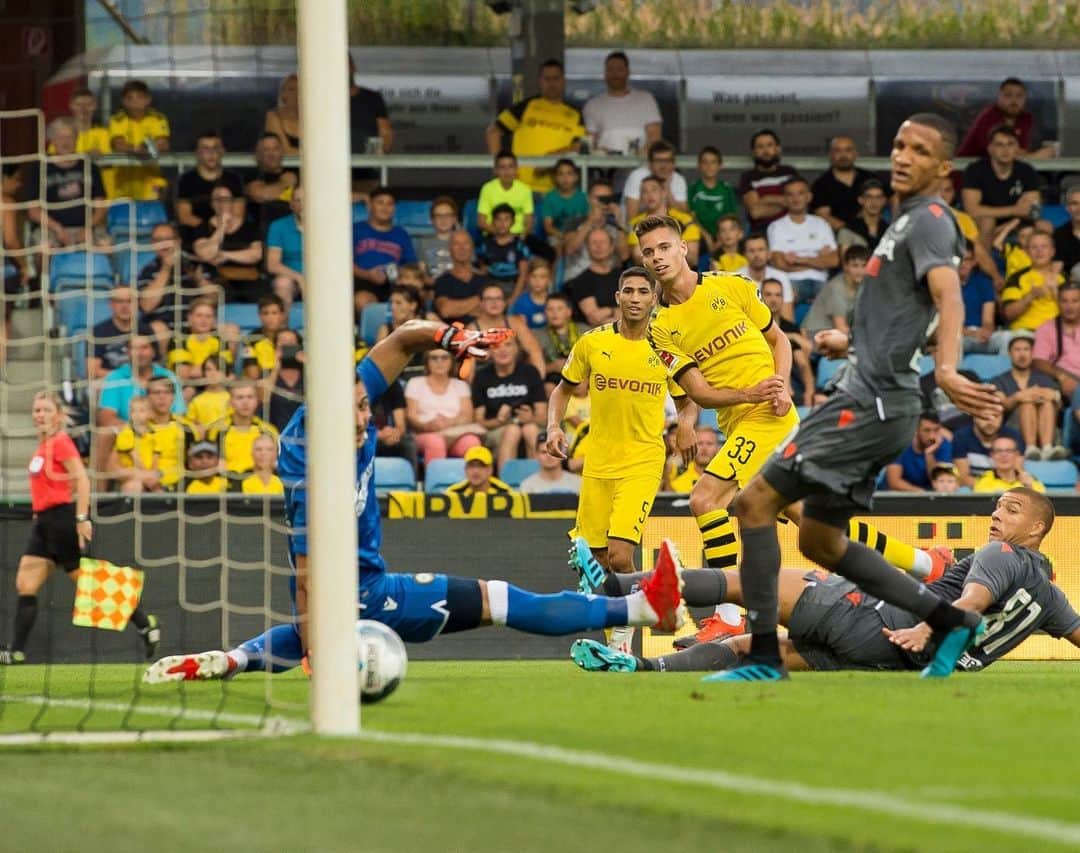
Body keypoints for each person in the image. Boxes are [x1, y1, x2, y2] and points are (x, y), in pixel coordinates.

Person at [143, 319, 685, 683]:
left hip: (370, 586)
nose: (363, 417)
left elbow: (403, 339)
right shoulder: (309, 469)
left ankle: (229, 659)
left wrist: (452, 336)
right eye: (354, 410)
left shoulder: (341, 408)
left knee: (497, 600)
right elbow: (307, 578)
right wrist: (315, 654)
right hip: (363, 599)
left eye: (364, 405)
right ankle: (641, 608)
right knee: (500, 600)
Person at [715, 113, 1004, 683]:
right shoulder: (905, 222)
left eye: (919, 150)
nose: (902, 156)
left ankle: (765, 658)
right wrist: (851, 341)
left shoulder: (931, 221)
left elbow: (949, 299)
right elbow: (912, 310)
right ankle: (950, 620)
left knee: (751, 505)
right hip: (878, 402)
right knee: (821, 542)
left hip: (866, 405)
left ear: (943, 168)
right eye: (898, 145)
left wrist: (946, 369)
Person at [572, 489, 1080, 676]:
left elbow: (969, 602)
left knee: (751, 581)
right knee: (758, 647)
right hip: (887, 660)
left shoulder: (1002, 554)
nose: (996, 515)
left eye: (1011, 510)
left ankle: (615, 588)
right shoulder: (1050, 597)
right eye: (996, 506)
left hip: (884, 622)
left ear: (1036, 529)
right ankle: (639, 665)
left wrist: (929, 629)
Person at [638, 213, 798, 575]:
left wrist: (781, 384)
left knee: (704, 498)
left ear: (683, 248)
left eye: (664, 247)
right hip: (736, 422)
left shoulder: (731, 285)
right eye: (648, 252)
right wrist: (689, 418)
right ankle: (923, 562)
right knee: (814, 526)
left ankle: (728, 607)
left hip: (769, 416)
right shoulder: (658, 328)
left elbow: (779, 340)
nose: (657, 257)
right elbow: (700, 393)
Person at [546, 267, 695, 577]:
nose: (635, 298)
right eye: (628, 291)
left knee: (620, 554)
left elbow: (687, 401)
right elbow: (562, 391)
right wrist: (553, 426)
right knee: (596, 561)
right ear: (618, 297)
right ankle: (623, 618)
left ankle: (649, 606)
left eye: (643, 292)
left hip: (643, 461)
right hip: (598, 461)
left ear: (655, 299)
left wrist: (686, 425)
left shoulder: (667, 348)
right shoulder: (592, 343)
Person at [0, 392, 160, 666]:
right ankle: (15, 651)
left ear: (59, 415)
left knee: (88, 581)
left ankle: (145, 623)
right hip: (43, 524)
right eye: (36, 410)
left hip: (61, 519)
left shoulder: (61, 443)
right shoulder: (43, 447)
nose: (39, 414)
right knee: (25, 584)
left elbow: (83, 480)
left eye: (45, 409)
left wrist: (81, 518)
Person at [485, 59, 584, 193]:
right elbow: (493, 132)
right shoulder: (526, 106)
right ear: (539, 81)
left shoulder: (575, 114)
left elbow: (579, 147)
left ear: (563, 81)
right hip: (519, 188)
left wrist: (549, 160)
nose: (551, 83)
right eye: (546, 79)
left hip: (557, 192)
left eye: (556, 78)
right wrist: (501, 169)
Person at [23, 117, 108, 248]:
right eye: (60, 137)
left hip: (87, 227)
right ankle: (44, 269)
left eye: (70, 137)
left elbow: (101, 207)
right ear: (52, 140)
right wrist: (58, 229)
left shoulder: (90, 167)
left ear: (76, 139)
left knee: (105, 244)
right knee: (45, 247)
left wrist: (87, 228)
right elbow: (33, 211)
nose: (65, 142)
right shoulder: (38, 168)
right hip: (50, 228)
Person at [472, 336, 547, 471]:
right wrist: (500, 421)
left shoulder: (530, 372)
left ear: (517, 349)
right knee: (512, 431)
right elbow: (479, 421)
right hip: (496, 429)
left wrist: (531, 418)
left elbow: (543, 417)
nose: (503, 350)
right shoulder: (481, 376)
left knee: (530, 429)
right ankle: (506, 486)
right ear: (489, 351)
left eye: (508, 345)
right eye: (496, 346)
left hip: (530, 426)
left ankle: (538, 485)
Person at [960, 125, 1041, 248]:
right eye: (999, 145)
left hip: (1015, 223)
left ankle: (1036, 267)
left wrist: (1009, 224)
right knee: (988, 222)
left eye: (1010, 144)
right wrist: (1014, 210)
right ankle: (985, 266)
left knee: (1045, 226)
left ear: (1017, 148)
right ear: (990, 149)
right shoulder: (975, 170)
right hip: (981, 223)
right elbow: (972, 211)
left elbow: (1034, 211)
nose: (1005, 150)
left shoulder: (1026, 170)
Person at [990, 331, 1066, 460]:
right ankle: (1030, 449)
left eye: (1026, 349)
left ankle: (1047, 448)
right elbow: (1001, 406)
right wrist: (1019, 397)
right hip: (1013, 431)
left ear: (1032, 354)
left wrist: (1054, 395)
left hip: (1046, 429)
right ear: (1009, 353)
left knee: (1047, 402)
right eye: (1017, 350)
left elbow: (1059, 407)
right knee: (1026, 403)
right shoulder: (999, 380)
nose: (1022, 354)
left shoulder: (1044, 378)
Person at [766, 176, 839, 306]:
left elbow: (833, 261)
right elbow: (780, 263)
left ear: (809, 197)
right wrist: (818, 260)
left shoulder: (821, 224)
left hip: (821, 282)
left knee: (836, 301)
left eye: (800, 193)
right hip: (791, 282)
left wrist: (799, 260)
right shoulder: (776, 226)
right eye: (790, 194)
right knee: (780, 298)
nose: (795, 198)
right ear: (784, 199)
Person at [405, 348, 483, 463]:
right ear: (427, 362)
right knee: (435, 443)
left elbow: (468, 416)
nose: (439, 362)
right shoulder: (415, 383)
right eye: (434, 358)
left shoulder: (460, 385)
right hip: (426, 434)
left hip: (454, 433)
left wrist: (450, 422)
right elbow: (411, 415)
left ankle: (470, 480)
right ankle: (436, 480)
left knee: (472, 442)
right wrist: (427, 425)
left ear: (451, 361)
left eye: (444, 357)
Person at [137, 222, 215, 332]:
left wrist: (199, 279)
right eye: (158, 240)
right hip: (164, 328)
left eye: (168, 239)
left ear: (178, 241)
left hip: (195, 328)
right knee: (158, 329)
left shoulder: (194, 263)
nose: (164, 243)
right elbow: (146, 306)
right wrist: (166, 268)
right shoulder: (147, 271)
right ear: (152, 244)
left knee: (230, 330)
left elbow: (215, 299)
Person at [192, 182, 264, 303]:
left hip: (247, 278)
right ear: (212, 203)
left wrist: (225, 255)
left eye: (226, 199)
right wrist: (222, 227)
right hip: (216, 279)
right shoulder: (202, 228)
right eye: (218, 200)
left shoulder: (249, 227)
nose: (222, 203)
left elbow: (257, 254)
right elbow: (207, 254)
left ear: (232, 202)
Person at [583, 51, 662, 156]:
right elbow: (590, 142)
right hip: (606, 167)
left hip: (642, 164)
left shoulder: (646, 99)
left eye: (619, 69)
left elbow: (655, 137)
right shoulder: (592, 105)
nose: (615, 74)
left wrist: (641, 156)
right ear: (605, 73)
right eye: (610, 70)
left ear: (628, 72)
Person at [176, 131, 245, 249]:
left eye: (215, 148)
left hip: (229, 234)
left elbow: (238, 214)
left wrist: (222, 228)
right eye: (205, 149)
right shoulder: (186, 180)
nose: (211, 153)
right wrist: (210, 228)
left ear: (223, 151)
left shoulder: (234, 179)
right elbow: (184, 216)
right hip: (196, 237)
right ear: (197, 153)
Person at [352, 187, 417, 309]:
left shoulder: (401, 233)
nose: (385, 208)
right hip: (362, 281)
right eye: (380, 202)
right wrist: (367, 275)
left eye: (389, 204)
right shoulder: (356, 229)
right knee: (363, 301)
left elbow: (410, 265)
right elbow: (343, 263)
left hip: (394, 284)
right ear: (370, 205)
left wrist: (397, 274)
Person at [958, 78, 1056, 159]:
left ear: (1025, 99)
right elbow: (999, 153)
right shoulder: (989, 116)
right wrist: (1034, 157)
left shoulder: (1026, 118)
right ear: (999, 97)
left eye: (1019, 96)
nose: (1014, 100)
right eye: (1008, 95)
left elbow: (1020, 150)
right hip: (971, 171)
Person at [108, 79, 170, 201]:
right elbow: (118, 144)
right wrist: (137, 149)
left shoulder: (157, 118)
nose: (135, 102)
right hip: (123, 182)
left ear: (148, 99)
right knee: (124, 218)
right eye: (130, 98)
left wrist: (148, 149)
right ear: (124, 102)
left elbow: (163, 144)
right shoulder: (117, 119)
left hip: (151, 180)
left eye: (140, 97)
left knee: (154, 217)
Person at [760, 278, 816, 408]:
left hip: (790, 384)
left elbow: (803, 361)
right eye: (768, 294)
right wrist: (792, 337)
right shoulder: (752, 327)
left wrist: (809, 392)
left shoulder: (790, 327)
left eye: (778, 295)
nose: (773, 299)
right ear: (760, 298)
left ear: (783, 299)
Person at [560, 179, 629, 283]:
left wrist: (619, 222)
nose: (603, 203)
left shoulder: (617, 226)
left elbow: (624, 256)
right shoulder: (574, 222)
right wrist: (590, 222)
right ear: (588, 199)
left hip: (609, 280)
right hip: (578, 277)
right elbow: (570, 250)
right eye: (599, 199)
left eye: (607, 198)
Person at [466, 283, 545, 374]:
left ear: (504, 303)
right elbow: (467, 364)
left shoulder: (515, 323)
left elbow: (535, 352)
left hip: (516, 378)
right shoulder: (472, 329)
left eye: (498, 298)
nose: (494, 303)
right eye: (489, 299)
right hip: (484, 380)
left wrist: (538, 382)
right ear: (481, 304)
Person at [87, 284, 159, 382]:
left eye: (129, 301)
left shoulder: (146, 330)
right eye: (119, 301)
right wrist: (126, 379)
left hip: (142, 381)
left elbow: (155, 365)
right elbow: (93, 371)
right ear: (111, 304)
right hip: (109, 382)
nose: (125, 306)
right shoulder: (97, 332)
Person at [207, 381, 278, 479]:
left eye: (250, 397)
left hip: (259, 486)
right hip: (229, 487)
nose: (245, 402)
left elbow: (276, 464)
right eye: (240, 397)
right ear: (231, 402)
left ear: (256, 400)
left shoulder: (268, 431)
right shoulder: (217, 431)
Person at [810, 136, 881, 232]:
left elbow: (893, 197)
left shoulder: (870, 178)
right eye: (838, 151)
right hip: (840, 237)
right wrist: (853, 232)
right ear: (831, 155)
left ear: (856, 154)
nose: (843, 155)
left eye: (848, 150)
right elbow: (823, 217)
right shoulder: (821, 184)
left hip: (875, 232)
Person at [1033, 281, 1080, 426]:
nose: (1069, 306)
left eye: (1075, 301)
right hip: (1065, 379)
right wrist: (1061, 377)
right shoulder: (1047, 328)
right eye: (1064, 301)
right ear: (1058, 303)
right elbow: (1038, 361)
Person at [628, 175, 701, 268]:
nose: (649, 195)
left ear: (664, 192)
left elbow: (692, 259)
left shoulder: (685, 220)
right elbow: (638, 257)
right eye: (644, 192)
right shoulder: (635, 223)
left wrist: (654, 254)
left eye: (654, 190)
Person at [801, 245, 868, 340]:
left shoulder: (863, 286)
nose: (860, 271)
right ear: (845, 266)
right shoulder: (836, 288)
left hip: (835, 334)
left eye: (864, 266)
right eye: (855, 266)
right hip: (816, 335)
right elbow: (841, 329)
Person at [738, 129, 799, 231]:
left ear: (778, 149)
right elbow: (756, 212)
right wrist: (785, 202)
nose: (766, 151)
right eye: (760, 147)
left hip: (792, 228)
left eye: (769, 145)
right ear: (754, 152)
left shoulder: (790, 173)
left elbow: (800, 204)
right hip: (762, 233)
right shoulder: (748, 177)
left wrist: (765, 199)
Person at [348, 54, 392, 195]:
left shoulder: (372, 98)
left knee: (368, 209)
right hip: (331, 172)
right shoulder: (324, 98)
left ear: (353, 67)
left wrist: (381, 149)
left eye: (345, 65)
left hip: (366, 174)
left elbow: (386, 133)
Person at [951, 408, 1024, 487]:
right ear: (974, 417)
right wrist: (988, 489)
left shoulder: (1013, 436)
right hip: (977, 491)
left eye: (996, 416)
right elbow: (964, 477)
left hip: (1006, 488)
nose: (990, 422)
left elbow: (1017, 473)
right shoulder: (961, 437)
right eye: (985, 417)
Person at [563, 228, 621, 326]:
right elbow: (594, 318)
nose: (599, 246)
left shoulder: (623, 277)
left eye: (602, 242)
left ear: (611, 247)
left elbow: (638, 311)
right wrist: (621, 314)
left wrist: (608, 311)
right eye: (594, 242)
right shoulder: (581, 281)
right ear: (587, 248)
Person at [884, 410, 954, 492]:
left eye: (936, 430)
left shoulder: (943, 445)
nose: (932, 436)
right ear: (915, 430)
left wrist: (929, 454)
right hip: (899, 496)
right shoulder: (900, 444)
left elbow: (939, 483)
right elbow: (894, 482)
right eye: (926, 430)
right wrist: (921, 494)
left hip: (930, 497)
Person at [688, 147, 739, 255]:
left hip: (723, 237)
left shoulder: (726, 189)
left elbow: (732, 217)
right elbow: (690, 216)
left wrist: (721, 239)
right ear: (699, 165)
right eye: (705, 162)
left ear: (720, 165)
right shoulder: (693, 188)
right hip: (699, 236)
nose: (709, 166)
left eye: (713, 162)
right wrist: (706, 236)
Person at [244, 132, 297, 233]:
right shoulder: (252, 176)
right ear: (258, 154)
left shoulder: (295, 173)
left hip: (294, 231)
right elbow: (261, 194)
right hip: (264, 233)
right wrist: (285, 184)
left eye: (275, 149)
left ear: (282, 151)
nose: (271, 154)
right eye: (266, 150)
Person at [623, 140, 688, 221]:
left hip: (667, 227)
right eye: (659, 161)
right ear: (650, 164)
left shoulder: (679, 180)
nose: (663, 166)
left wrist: (667, 188)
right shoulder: (637, 176)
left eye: (667, 161)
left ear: (673, 164)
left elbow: (684, 217)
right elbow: (631, 218)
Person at [735, 232, 794, 321]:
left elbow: (787, 319)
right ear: (745, 254)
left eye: (761, 250)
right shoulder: (736, 279)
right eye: (751, 251)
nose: (757, 255)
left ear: (768, 253)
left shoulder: (782, 277)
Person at [433, 231, 488, 325]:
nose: (461, 248)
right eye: (456, 244)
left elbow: (490, 311)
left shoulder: (486, 280)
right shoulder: (442, 281)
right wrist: (481, 299)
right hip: (454, 336)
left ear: (472, 248)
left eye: (465, 243)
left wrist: (457, 309)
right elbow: (446, 311)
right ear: (450, 250)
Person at [107, 395, 160, 494]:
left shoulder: (154, 433)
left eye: (141, 411)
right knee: (135, 484)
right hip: (131, 471)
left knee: (158, 485)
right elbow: (135, 459)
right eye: (133, 411)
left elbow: (156, 458)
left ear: (149, 413)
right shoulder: (126, 432)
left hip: (147, 472)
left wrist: (152, 474)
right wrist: (147, 476)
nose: (136, 414)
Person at [476, 204, 530, 300]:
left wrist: (513, 299)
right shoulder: (486, 243)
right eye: (499, 219)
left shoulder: (519, 245)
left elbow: (523, 275)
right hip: (492, 286)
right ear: (493, 222)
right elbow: (483, 271)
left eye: (506, 219)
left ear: (513, 222)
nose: (502, 223)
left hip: (512, 286)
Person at [265, 185, 305, 311]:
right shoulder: (279, 226)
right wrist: (299, 278)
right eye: (298, 200)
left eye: (307, 199)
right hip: (291, 276)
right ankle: (282, 328)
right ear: (291, 204)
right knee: (282, 284)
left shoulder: (328, 224)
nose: (303, 204)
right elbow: (272, 265)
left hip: (321, 276)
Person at [477, 151, 535, 236]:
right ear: (495, 170)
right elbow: (481, 222)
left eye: (510, 167)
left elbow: (529, 221)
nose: (507, 171)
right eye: (502, 167)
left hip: (518, 237)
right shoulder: (487, 189)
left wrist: (521, 235)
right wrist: (502, 235)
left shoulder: (525, 190)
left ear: (516, 169)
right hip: (493, 236)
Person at [538, 293, 584, 390]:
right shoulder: (536, 336)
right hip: (553, 379)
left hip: (582, 376)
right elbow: (532, 369)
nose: (554, 313)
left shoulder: (585, 331)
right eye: (550, 309)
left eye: (559, 309)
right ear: (544, 313)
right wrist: (552, 367)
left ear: (569, 312)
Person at [540, 159, 588, 251]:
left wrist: (575, 236)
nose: (565, 178)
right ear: (555, 178)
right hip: (557, 236)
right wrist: (563, 236)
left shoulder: (583, 198)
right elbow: (548, 227)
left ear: (576, 177)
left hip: (579, 235)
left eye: (569, 174)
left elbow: (588, 222)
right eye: (560, 174)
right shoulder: (550, 198)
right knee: (558, 248)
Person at [265, 328, 306, 433]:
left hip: (303, 435)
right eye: (282, 341)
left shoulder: (307, 374)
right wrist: (276, 366)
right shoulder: (268, 374)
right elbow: (264, 400)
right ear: (275, 346)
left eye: (291, 342)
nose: (287, 345)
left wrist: (308, 365)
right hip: (275, 435)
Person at [973, 435, 1046, 493]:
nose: (1004, 455)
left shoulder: (1029, 479)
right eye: (998, 451)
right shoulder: (985, 478)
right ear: (992, 456)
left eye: (1008, 451)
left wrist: (1029, 488)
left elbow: (1042, 506)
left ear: (1017, 455)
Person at [836, 178, 887, 254]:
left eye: (878, 197)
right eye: (869, 197)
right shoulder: (849, 230)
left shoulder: (889, 230)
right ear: (860, 200)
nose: (874, 202)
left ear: (884, 200)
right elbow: (846, 264)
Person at [663, 425, 719, 494]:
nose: (704, 448)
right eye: (700, 443)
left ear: (718, 449)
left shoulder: (728, 476)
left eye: (709, 444)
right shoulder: (677, 472)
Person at [416, 196, 459, 283]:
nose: (443, 219)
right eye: (438, 216)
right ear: (432, 220)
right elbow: (422, 271)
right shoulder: (423, 243)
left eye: (447, 215)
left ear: (454, 219)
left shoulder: (463, 241)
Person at [186, 355, 231, 436]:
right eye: (208, 369)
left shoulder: (233, 400)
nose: (213, 374)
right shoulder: (196, 401)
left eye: (218, 369)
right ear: (203, 373)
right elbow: (190, 424)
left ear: (226, 374)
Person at [446, 445, 513, 496]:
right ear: (465, 469)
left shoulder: (504, 492)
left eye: (481, 466)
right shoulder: (454, 493)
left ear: (490, 470)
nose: (476, 471)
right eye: (471, 466)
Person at [510, 257, 555, 332]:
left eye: (542, 277)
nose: (537, 281)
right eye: (534, 276)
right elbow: (522, 331)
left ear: (549, 279)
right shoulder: (521, 303)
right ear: (528, 278)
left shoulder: (556, 300)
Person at [264, 73, 301, 156]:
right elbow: (283, 150)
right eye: (283, 89)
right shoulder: (273, 116)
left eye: (292, 90)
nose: (285, 94)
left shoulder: (313, 119)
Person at [1052, 185, 1080, 274]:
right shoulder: (1059, 235)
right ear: (1067, 208)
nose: (1079, 209)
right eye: (1074, 203)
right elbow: (1056, 268)